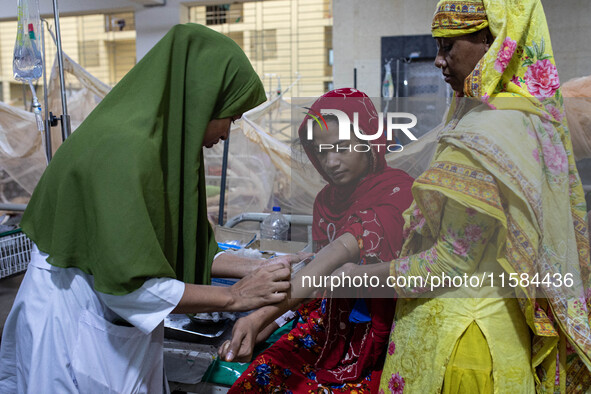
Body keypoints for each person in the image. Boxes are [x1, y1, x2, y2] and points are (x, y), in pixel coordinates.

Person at [0, 24, 298, 393]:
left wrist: (256, 267)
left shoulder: (163, 146)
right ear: (201, 97)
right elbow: (132, 285)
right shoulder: (124, 151)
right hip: (75, 327)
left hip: (108, 321)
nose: (226, 133)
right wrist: (236, 296)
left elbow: (173, 245)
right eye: (231, 117)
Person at [335, 0, 591, 392]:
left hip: (460, 348)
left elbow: (448, 264)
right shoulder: (529, 119)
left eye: (448, 47)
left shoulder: (483, 137)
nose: (438, 61)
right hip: (499, 335)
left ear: (493, 44)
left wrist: (354, 279)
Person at [222, 88, 414, 393]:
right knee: (259, 378)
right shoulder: (327, 201)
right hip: (326, 327)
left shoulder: (398, 191)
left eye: (341, 148)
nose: (330, 161)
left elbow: (336, 253)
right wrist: (269, 325)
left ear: (367, 142)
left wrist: (259, 317)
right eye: (322, 151)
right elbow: (315, 282)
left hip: (382, 336)